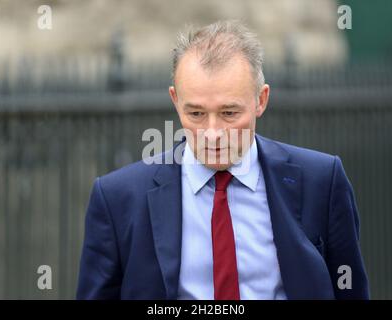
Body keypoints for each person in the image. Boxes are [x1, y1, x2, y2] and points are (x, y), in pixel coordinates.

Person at [76, 20, 369, 300]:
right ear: (175, 100)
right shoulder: (117, 198)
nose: (213, 134)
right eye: (196, 114)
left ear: (261, 100)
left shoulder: (322, 180)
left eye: (229, 113)